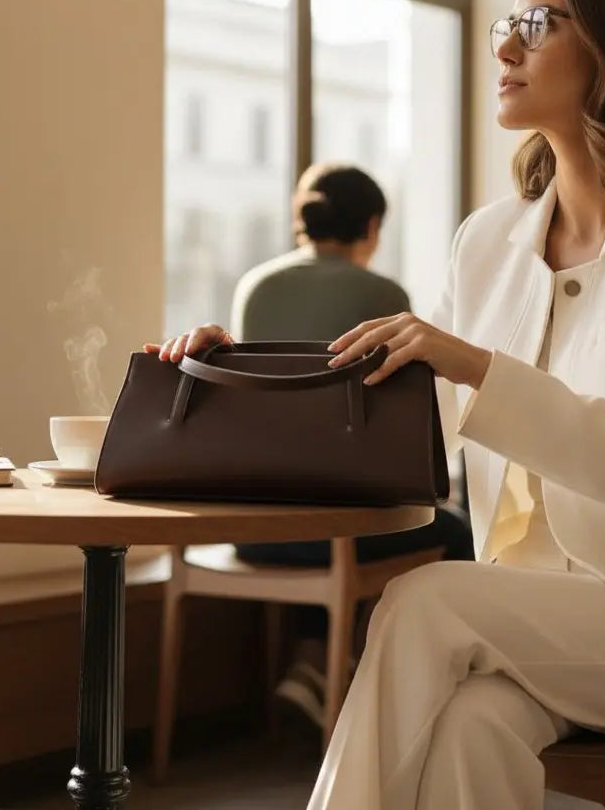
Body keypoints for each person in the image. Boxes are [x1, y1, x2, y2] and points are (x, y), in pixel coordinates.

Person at [154, 0, 605, 810]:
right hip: (539, 615)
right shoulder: (486, 241)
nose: (505, 49)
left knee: (425, 602)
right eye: (506, 26)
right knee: (474, 730)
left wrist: (470, 362)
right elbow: (407, 418)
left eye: (537, 26)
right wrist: (239, 374)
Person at [151, 163, 473, 731]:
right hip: (336, 535)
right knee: (456, 528)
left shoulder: (256, 285)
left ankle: (313, 666)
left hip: (256, 533)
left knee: (322, 503)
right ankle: (406, 704)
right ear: (372, 226)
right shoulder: (384, 295)